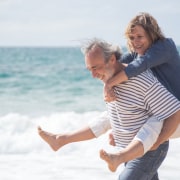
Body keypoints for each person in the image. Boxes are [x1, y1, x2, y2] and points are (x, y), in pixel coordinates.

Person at [38, 38, 180, 180]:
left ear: (112, 59)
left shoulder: (141, 79)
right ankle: (62, 139)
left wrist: (157, 142)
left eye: (95, 67)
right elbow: (120, 114)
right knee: (104, 118)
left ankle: (63, 139)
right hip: (126, 150)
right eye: (89, 69)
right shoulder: (108, 81)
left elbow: (174, 111)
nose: (93, 75)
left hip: (148, 150)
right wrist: (117, 133)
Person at [103, 11, 180, 151]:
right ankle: (63, 139)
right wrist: (106, 81)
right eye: (132, 37)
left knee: (142, 127)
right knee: (107, 116)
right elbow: (115, 66)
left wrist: (109, 83)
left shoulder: (165, 46)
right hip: (162, 112)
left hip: (175, 115)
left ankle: (146, 147)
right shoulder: (138, 53)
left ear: (152, 35)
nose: (135, 41)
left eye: (140, 36)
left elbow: (140, 65)